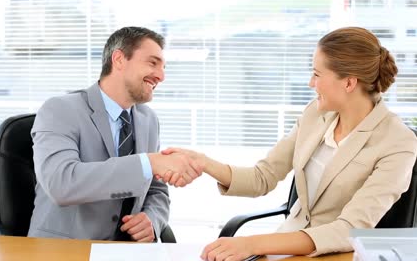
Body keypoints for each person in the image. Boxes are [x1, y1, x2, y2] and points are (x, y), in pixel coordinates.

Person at [162, 27, 417, 260]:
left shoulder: (398, 141)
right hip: (286, 247)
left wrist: (254, 244)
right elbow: (263, 177)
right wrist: (203, 162)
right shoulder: (315, 115)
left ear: (349, 82)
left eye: (317, 74)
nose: (310, 83)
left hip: (338, 253)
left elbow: (348, 229)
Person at [28, 26, 201, 242]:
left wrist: (152, 219)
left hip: (126, 250)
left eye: (164, 67)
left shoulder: (148, 120)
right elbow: (61, 184)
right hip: (66, 249)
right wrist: (148, 163)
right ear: (119, 59)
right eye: (152, 63)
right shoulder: (60, 110)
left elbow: (157, 191)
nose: (161, 76)